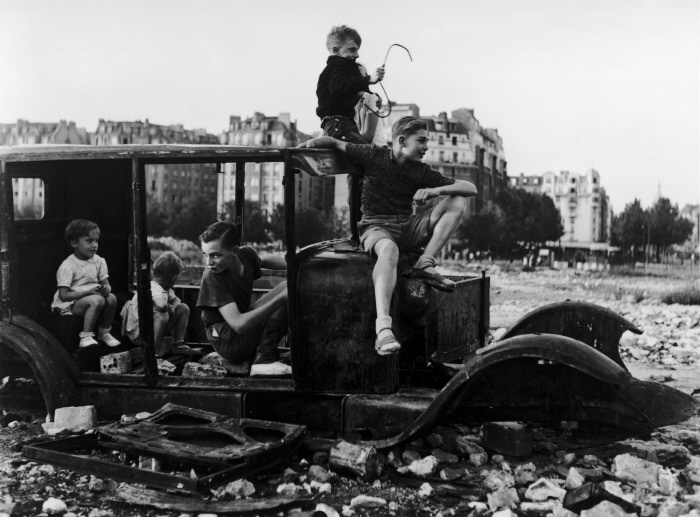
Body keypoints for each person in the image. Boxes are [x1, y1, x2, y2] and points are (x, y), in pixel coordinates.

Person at [299, 116, 477, 356]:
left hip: (407, 226)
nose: (426, 147)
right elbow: (336, 143)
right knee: (389, 250)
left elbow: (470, 188)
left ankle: (425, 262)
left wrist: (435, 190)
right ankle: (383, 330)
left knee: (457, 200)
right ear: (402, 141)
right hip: (376, 227)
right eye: (421, 141)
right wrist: (312, 143)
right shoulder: (374, 155)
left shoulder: (421, 170)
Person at [196, 221, 291, 376]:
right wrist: (280, 298)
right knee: (284, 294)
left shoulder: (245, 255)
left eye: (215, 255)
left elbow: (263, 261)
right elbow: (239, 324)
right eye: (205, 255)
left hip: (241, 333)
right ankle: (264, 359)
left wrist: (295, 263)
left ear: (234, 251)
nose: (208, 263)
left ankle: (279, 351)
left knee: (289, 285)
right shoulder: (212, 276)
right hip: (228, 341)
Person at [51, 219, 121, 348]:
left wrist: (106, 288)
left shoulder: (99, 261)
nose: (94, 245)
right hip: (72, 305)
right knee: (97, 300)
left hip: (93, 297)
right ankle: (86, 336)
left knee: (112, 299)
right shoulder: (68, 265)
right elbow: (64, 295)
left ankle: (104, 332)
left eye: (96, 240)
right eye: (89, 241)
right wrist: (88, 292)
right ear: (74, 243)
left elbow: (107, 284)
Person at [316, 25, 385, 144]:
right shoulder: (337, 65)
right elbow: (339, 86)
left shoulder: (340, 67)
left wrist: (371, 96)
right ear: (335, 51)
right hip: (339, 123)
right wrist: (368, 80)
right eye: (352, 49)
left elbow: (345, 91)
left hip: (342, 123)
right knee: (362, 152)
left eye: (357, 50)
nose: (357, 55)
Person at [120, 251, 191, 356]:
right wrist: (168, 307)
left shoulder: (165, 289)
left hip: (150, 330)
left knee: (183, 308)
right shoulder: (153, 287)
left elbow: (177, 301)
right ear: (173, 278)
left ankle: (178, 343)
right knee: (163, 315)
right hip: (140, 334)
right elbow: (161, 305)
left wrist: (173, 306)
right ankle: (151, 352)